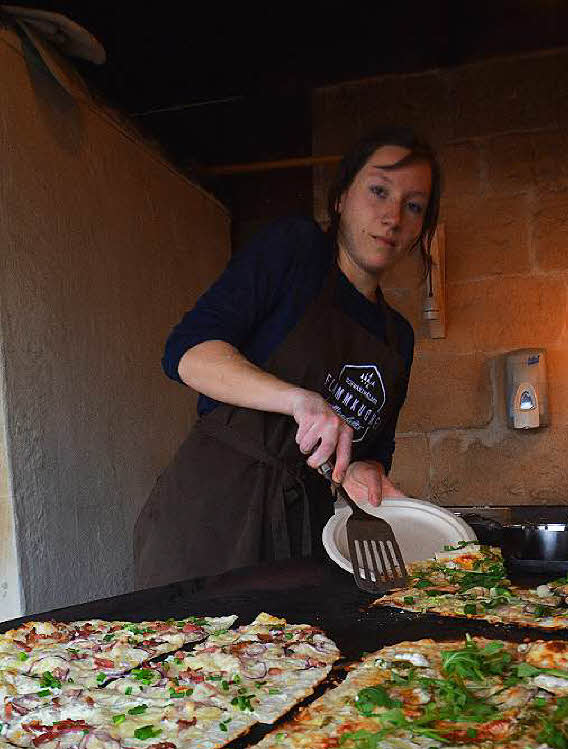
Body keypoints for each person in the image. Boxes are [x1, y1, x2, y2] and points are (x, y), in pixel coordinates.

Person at [133, 127, 442, 588]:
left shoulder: (398, 338)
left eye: (413, 206)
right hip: (211, 515)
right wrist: (300, 400)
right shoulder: (295, 250)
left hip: (307, 534)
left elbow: (373, 453)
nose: (393, 216)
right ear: (340, 198)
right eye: (379, 191)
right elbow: (187, 352)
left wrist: (363, 471)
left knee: (293, 659)